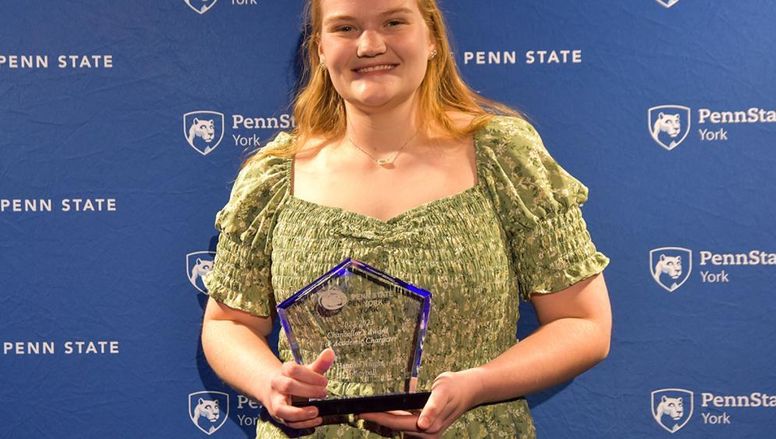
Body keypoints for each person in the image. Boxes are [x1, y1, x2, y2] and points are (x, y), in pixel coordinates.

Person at [201, 0, 612, 437]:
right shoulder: (273, 177)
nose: (370, 45)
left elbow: (584, 323)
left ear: (431, 37)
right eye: (345, 28)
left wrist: (475, 386)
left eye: (394, 22)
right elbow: (228, 324)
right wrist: (269, 382)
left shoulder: (504, 158)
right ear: (320, 49)